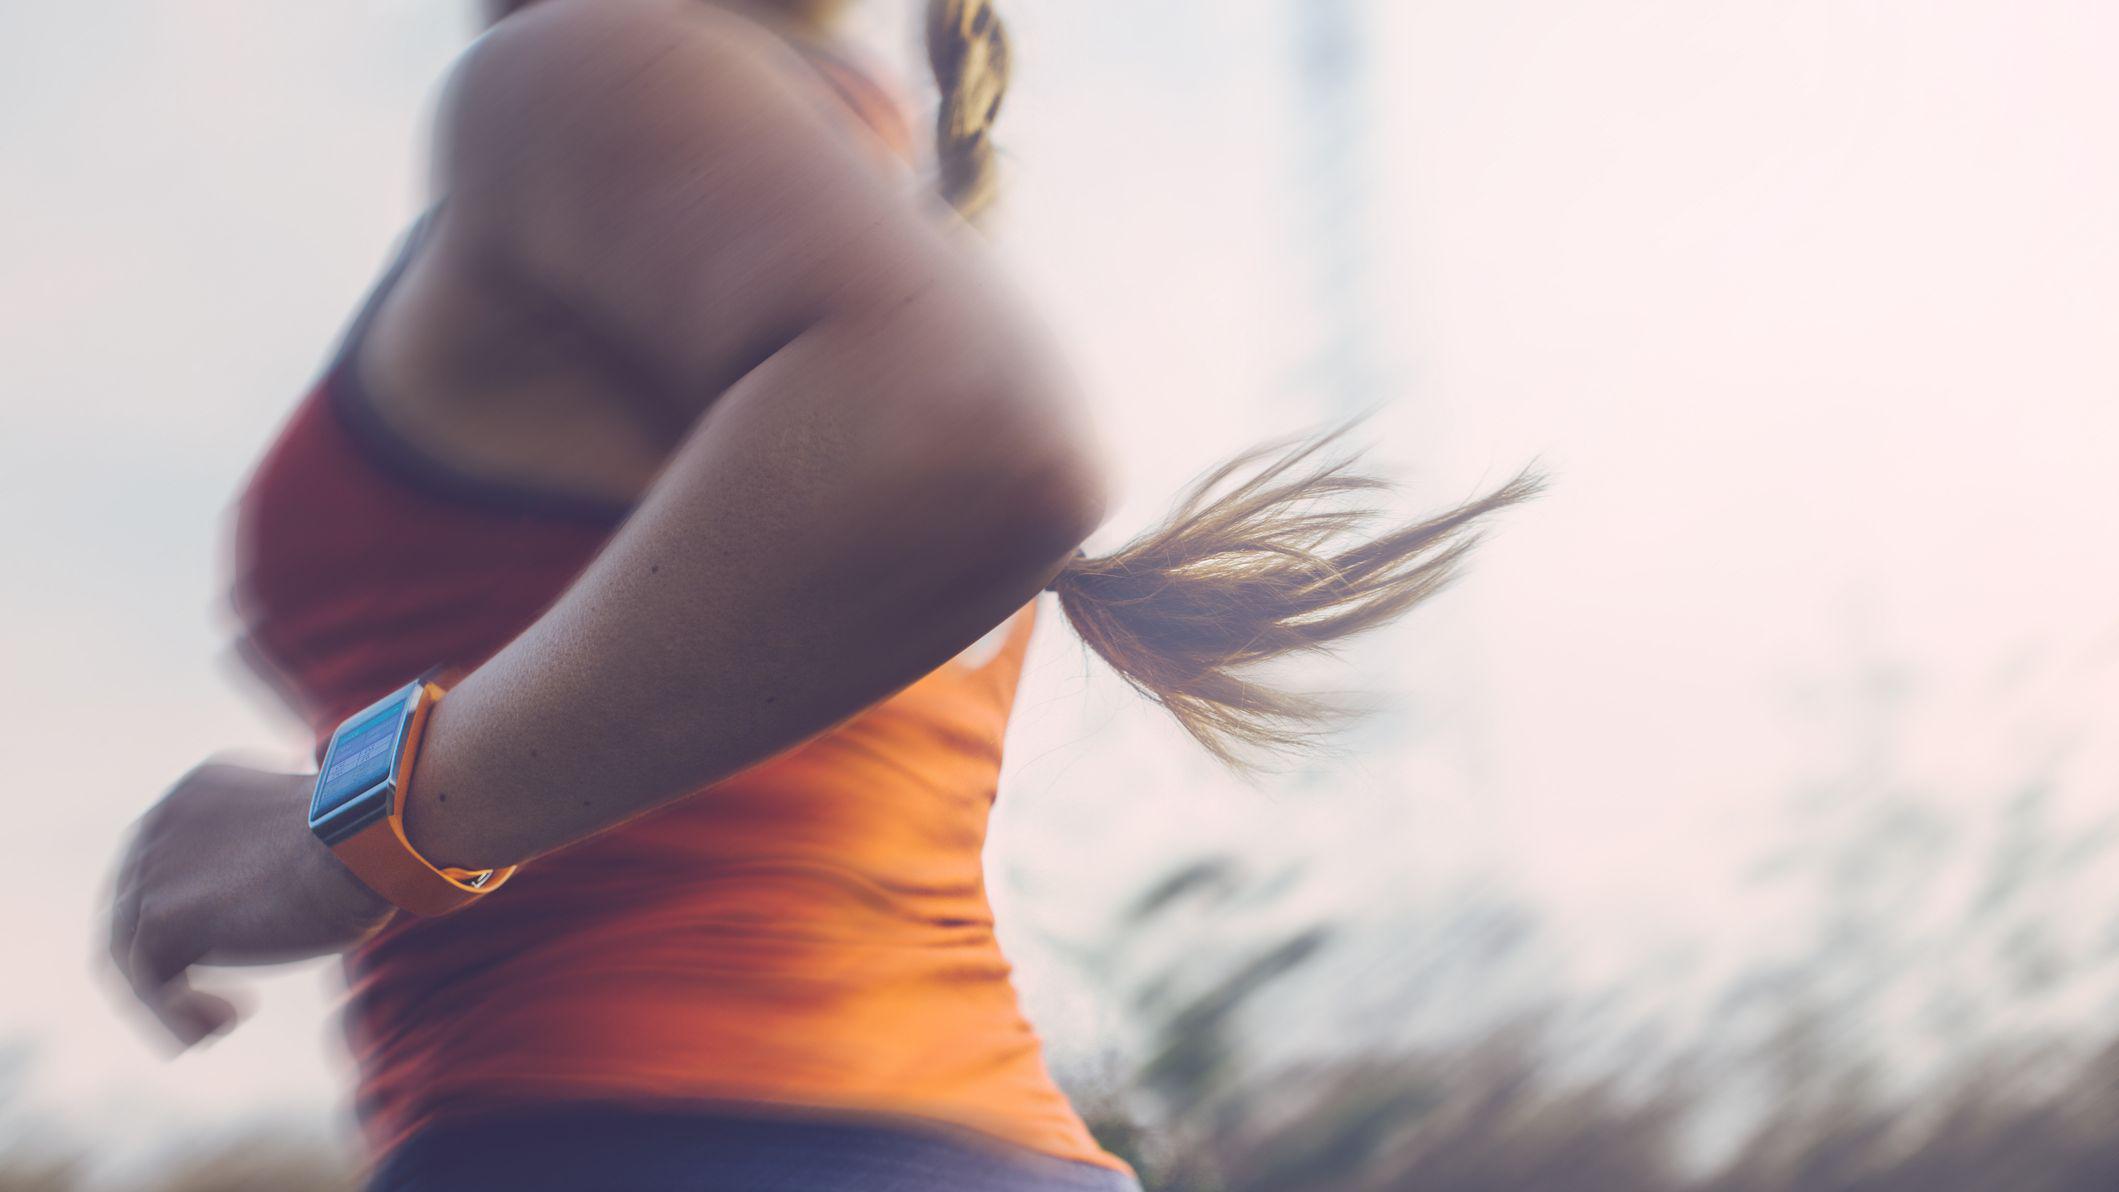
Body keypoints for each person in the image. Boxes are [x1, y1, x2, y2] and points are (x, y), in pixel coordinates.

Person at [102, 0, 1537, 1187]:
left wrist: (341, 837)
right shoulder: (832, 170)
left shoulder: (579, 69)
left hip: (662, 1147)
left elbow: (971, 427)